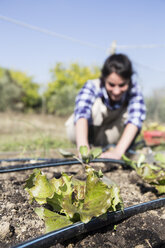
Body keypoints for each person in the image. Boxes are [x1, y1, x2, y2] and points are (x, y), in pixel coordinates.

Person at [65, 53, 146, 159]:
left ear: (129, 80)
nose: (116, 91)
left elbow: (135, 119)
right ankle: (86, 145)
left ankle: (113, 149)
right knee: (94, 106)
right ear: (104, 79)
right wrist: (83, 151)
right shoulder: (92, 86)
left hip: (109, 138)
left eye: (122, 85)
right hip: (83, 134)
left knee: (132, 116)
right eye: (111, 85)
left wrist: (118, 152)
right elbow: (81, 114)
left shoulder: (134, 90)